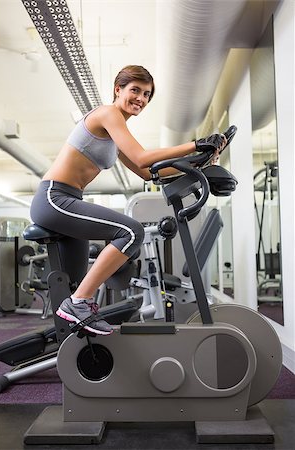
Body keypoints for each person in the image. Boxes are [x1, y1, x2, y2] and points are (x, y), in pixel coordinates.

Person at [30, 65, 227, 336]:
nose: (141, 99)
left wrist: (197, 163)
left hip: (68, 198)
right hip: (53, 198)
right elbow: (143, 157)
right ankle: (79, 304)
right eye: (135, 90)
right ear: (117, 89)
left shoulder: (114, 132)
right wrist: (195, 144)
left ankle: (74, 335)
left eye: (146, 94)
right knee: (131, 232)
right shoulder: (108, 113)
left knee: (75, 283)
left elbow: (147, 171)